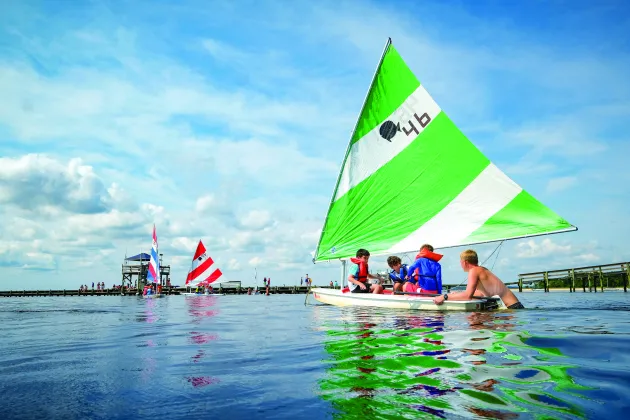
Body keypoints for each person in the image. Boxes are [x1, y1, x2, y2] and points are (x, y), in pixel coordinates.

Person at [433, 249, 524, 309]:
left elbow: (467, 296)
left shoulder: (474, 271)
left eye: (460, 262)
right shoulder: (482, 270)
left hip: (512, 309)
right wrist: (457, 294)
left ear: (465, 262)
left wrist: (444, 297)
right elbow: (480, 293)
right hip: (515, 307)